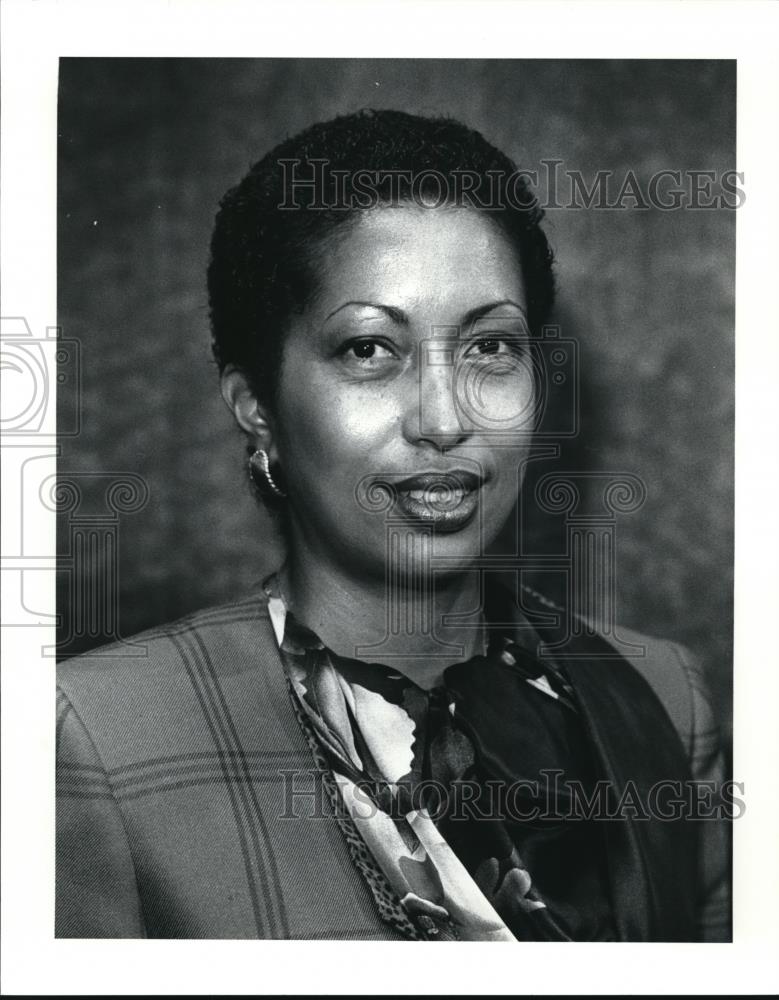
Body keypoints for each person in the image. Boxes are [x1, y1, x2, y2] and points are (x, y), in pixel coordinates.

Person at [56, 109, 731, 941]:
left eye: (489, 348)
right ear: (257, 406)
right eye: (369, 350)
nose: (444, 420)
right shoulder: (100, 739)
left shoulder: (663, 696)